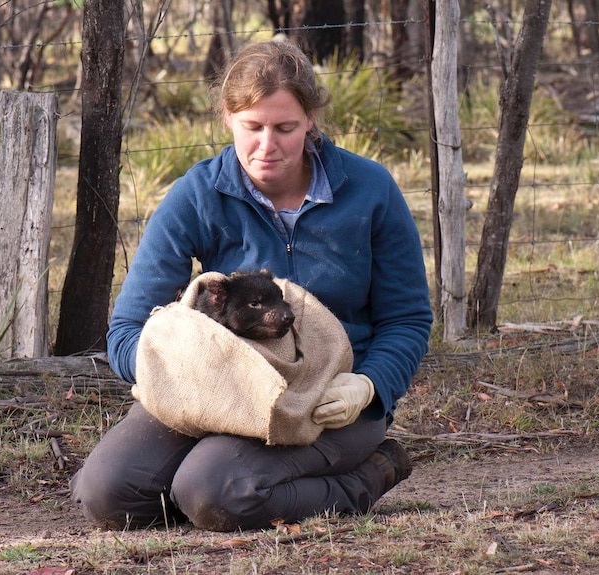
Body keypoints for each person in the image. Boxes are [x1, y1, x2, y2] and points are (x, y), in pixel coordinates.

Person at [69, 39, 433, 532]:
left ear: (311, 120)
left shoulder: (370, 189)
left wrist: (370, 385)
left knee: (213, 492)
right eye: (252, 128)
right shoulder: (197, 194)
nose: (268, 146)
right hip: (216, 389)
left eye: (285, 128)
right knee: (108, 494)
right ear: (227, 119)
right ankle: (222, 472)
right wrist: (184, 378)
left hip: (330, 398)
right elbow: (127, 330)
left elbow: (407, 318)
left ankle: (367, 474)